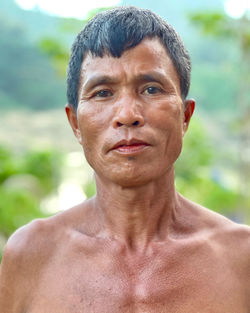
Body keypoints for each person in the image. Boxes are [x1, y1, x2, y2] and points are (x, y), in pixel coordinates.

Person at [0, 6, 249, 313]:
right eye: (103, 93)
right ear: (75, 124)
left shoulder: (241, 259)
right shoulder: (31, 256)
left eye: (151, 88)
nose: (128, 115)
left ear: (185, 116)